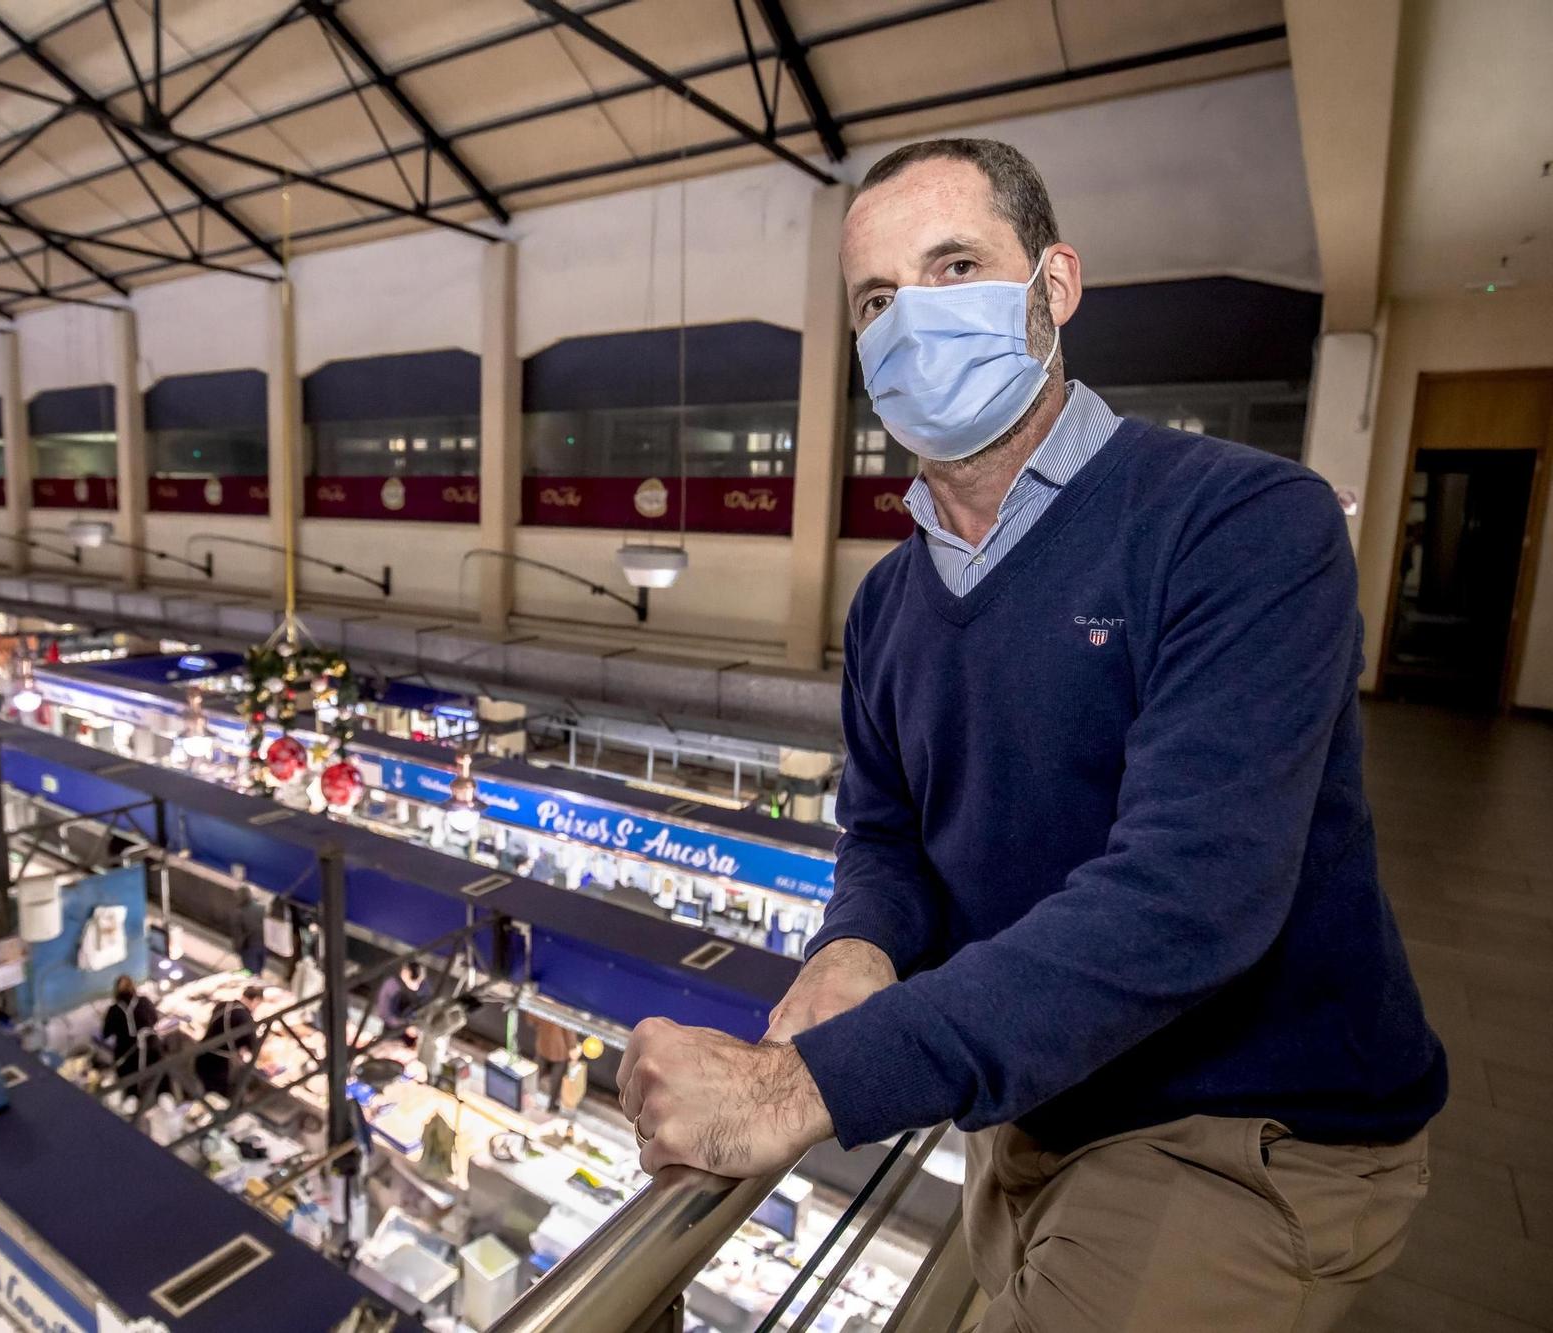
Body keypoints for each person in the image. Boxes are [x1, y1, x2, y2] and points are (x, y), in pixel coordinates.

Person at [613, 138, 1445, 1333]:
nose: (913, 322)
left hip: (1241, 1123)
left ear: (1051, 287)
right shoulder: (889, 607)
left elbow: (1189, 895)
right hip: (1029, 1107)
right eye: (877, 299)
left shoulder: (1242, 525)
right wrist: (857, 945)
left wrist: (802, 1085)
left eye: (954, 266)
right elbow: (886, 833)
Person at [99, 975, 164, 1107]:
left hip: (127, 1051)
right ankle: (163, 1097)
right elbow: (155, 1019)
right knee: (157, 1077)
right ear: (133, 987)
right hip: (151, 1046)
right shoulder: (145, 1001)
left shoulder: (114, 1010)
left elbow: (106, 1034)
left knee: (131, 1086)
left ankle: (132, 1101)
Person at [196, 985, 262, 1101]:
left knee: (196, 1088)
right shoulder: (246, 1019)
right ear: (256, 1000)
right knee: (212, 1098)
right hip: (217, 1065)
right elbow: (253, 1047)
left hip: (200, 1054)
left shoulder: (222, 1005)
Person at [359, 960, 427, 1046]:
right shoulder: (392, 986)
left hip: (413, 1037)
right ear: (405, 972)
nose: (415, 987)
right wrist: (404, 1027)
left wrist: (417, 1029)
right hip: (392, 1033)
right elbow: (384, 1013)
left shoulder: (422, 989)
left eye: (418, 983)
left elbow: (426, 1010)